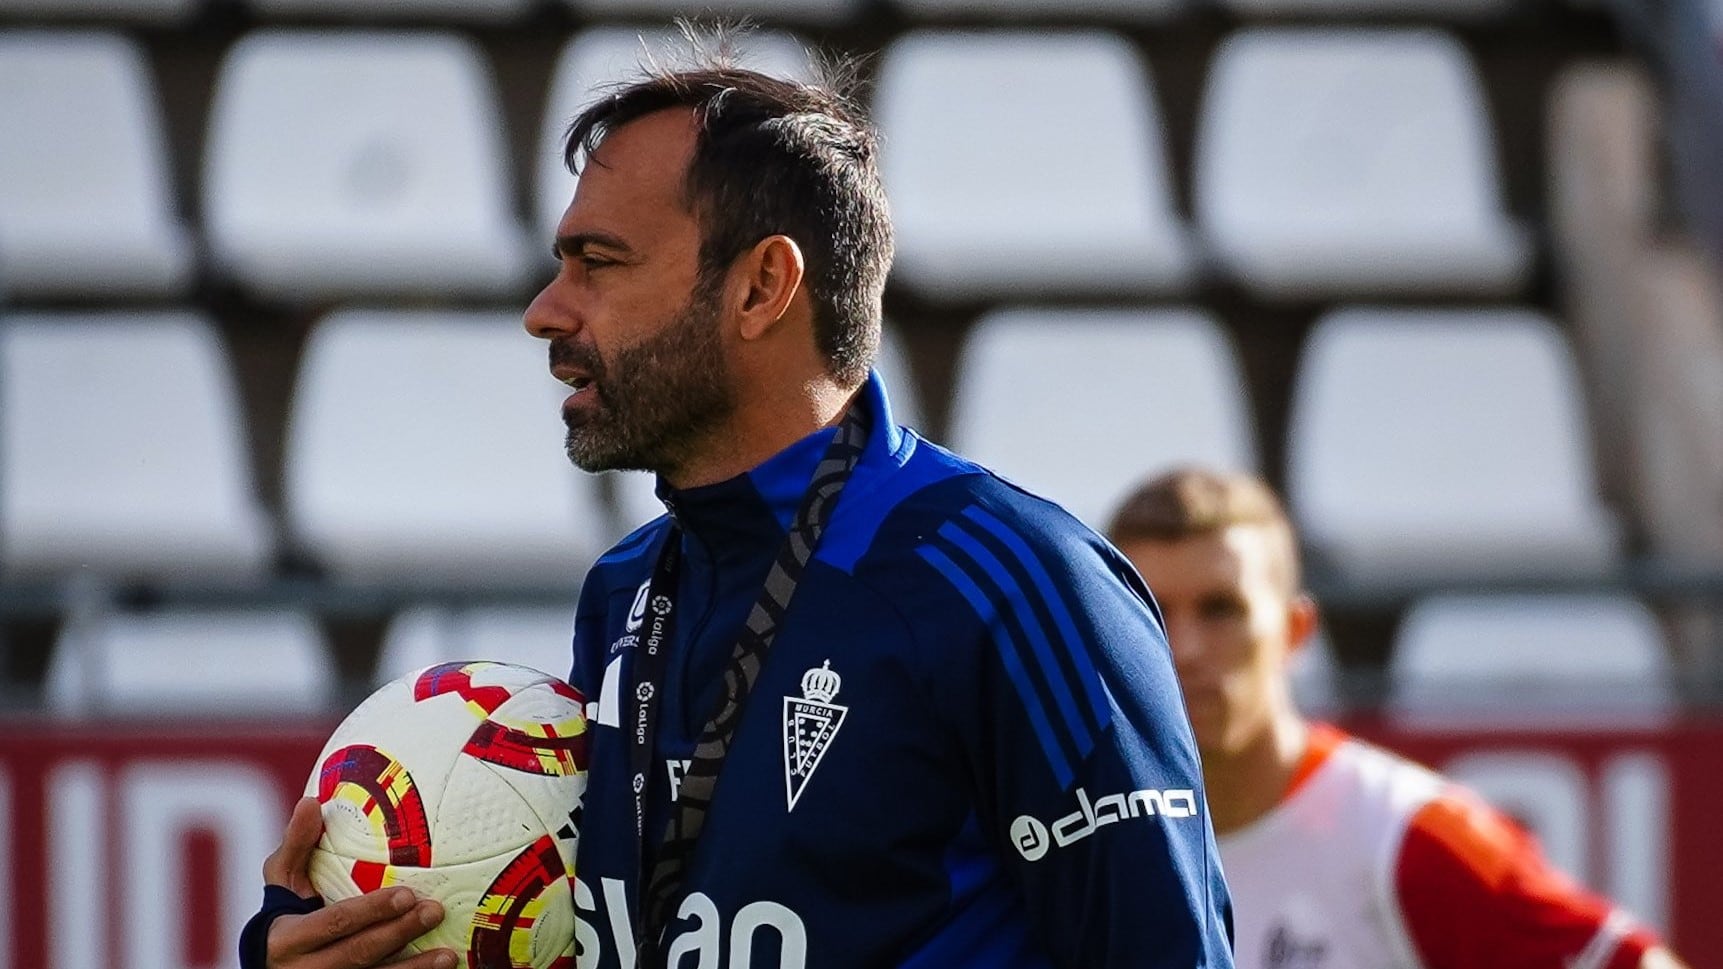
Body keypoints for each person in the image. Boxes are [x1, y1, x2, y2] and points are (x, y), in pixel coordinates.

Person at [241, 34, 1233, 969]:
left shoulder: (1007, 581)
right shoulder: (628, 593)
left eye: (600, 262)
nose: (546, 308)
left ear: (762, 288)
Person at [1106, 467, 1690, 969]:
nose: (1182, 648)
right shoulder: (1071, 847)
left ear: (1294, 631)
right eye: (1149, 612)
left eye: (1221, 610)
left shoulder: (1403, 835)